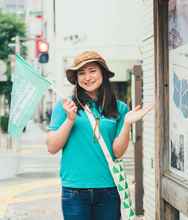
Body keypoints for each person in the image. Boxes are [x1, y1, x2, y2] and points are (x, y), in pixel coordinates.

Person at [47, 51, 153, 220]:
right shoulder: (65, 106)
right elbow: (52, 147)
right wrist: (69, 120)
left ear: (103, 72)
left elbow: (117, 152)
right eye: (81, 73)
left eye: (92, 70)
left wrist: (127, 124)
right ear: (76, 79)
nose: (87, 77)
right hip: (74, 191)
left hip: (108, 189)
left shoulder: (120, 108)